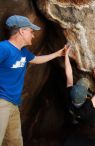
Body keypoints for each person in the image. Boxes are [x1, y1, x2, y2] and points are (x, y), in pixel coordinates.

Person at [0, 15, 66, 146]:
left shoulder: (23, 52)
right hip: (1, 102)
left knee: (15, 142)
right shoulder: (3, 48)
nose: (33, 35)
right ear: (21, 31)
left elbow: (36, 59)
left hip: (13, 105)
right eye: (31, 31)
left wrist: (58, 54)